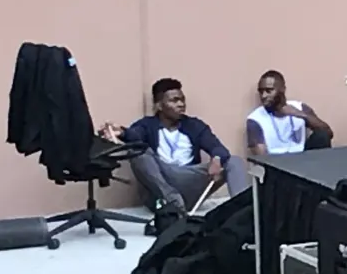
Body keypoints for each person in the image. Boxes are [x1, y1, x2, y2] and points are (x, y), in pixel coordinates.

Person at [105, 78, 248, 217]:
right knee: (137, 151)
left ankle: (245, 212)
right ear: (159, 106)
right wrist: (122, 132)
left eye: (182, 100)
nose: (181, 104)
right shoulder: (147, 125)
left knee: (234, 161)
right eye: (174, 101)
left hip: (189, 179)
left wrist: (216, 159)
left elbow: (218, 148)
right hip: (162, 184)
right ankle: (172, 202)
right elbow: (134, 136)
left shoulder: (194, 125)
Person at [245, 70, 333, 157]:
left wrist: (300, 114)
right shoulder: (255, 119)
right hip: (276, 165)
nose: (263, 96)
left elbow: (328, 133)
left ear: (283, 90)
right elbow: (262, 158)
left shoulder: (299, 107)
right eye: (261, 91)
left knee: (322, 135)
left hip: (303, 160)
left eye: (269, 91)